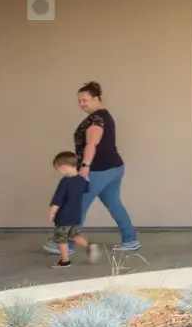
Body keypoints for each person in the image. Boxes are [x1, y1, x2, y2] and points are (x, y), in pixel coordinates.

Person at [43, 81, 140, 255]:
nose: (81, 104)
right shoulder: (104, 116)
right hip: (114, 167)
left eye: (85, 100)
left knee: (76, 204)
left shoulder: (96, 119)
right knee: (114, 204)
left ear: (97, 98)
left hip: (98, 169)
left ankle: (65, 244)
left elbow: (91, 144)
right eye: (79, 101)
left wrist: (85, 167)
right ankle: (130, 240)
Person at [47, 151, 100, 269]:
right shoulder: (81, 180)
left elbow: (58, 200)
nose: (59, 172)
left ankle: (64, 262)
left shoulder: (65, 181)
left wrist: (52, 213)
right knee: (74, 235)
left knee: (62, 240)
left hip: (64, 217)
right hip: (76, 215)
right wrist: (86, 178)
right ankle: (89, 246)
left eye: (58, 169)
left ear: (64, 167)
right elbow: (87, 188)